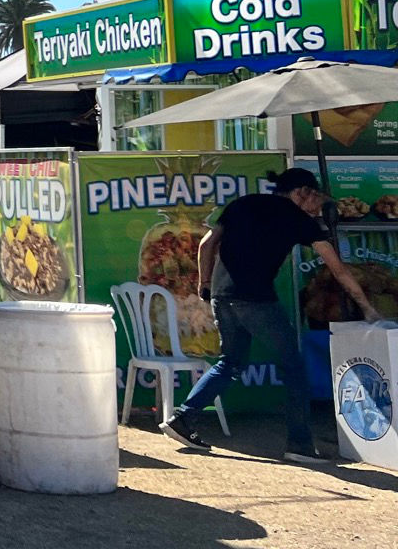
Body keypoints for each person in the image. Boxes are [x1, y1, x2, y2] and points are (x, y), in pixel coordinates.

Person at [162, 167, 384, 462]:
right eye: (317, 199)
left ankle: (183, 418)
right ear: (302, 192)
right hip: (256, 301)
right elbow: (337, 268)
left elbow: (206, 244)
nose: (319, 207)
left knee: (230, 362)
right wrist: (366, 306)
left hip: (221, 296)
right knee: (294, 369)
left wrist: (204, 283)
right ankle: (300, 445)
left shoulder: (243, 203)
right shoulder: (300, 220)